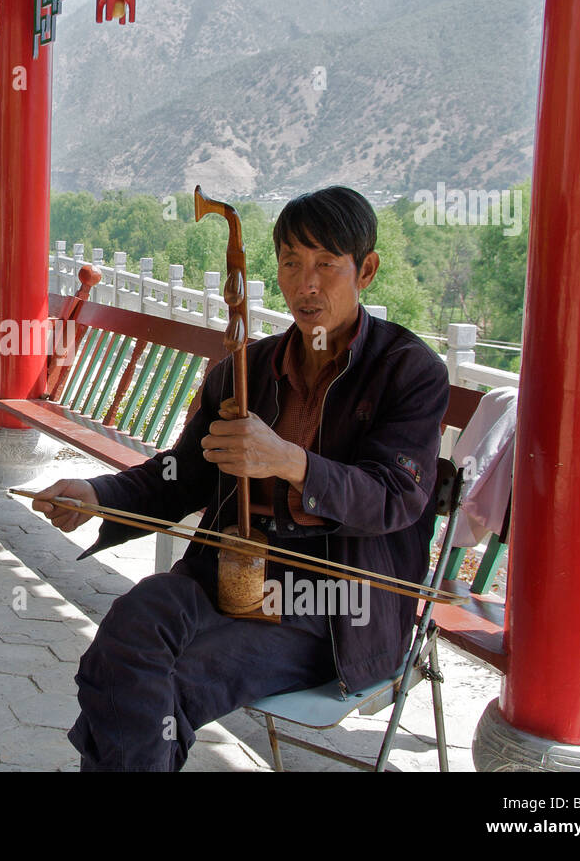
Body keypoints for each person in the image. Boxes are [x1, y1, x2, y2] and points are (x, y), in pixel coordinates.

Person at [31, 185, 449, 771]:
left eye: (326, 265)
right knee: (125, 638)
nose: (306, 284)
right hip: (228, 572)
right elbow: (179, 477)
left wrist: (287, 460)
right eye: (290, 262)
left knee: (162, 686)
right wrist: (97, 495)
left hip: (328, 602)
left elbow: (396, 495)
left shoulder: (408, 372)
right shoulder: (245, 371)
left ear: (367, 270)